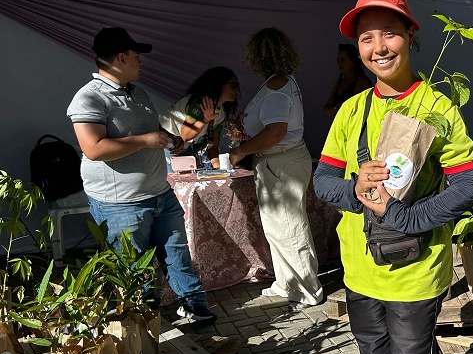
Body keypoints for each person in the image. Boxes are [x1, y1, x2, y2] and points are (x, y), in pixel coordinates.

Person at [313, 0, 473, 354]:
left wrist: (409, 217)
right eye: (367, 38)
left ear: (410, 35)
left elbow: (468, 185)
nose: (378, 47)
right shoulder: (350, 111)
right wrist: (354, 187)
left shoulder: (437, 108)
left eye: (389, 33)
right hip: (360, 266)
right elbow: (323, 182)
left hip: (415, 267)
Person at [66, 27, 217, 323]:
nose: (141, 62)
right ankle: (144, 318)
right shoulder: (89, 98)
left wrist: (174, 137)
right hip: (121, 202)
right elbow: (93, 148)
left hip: (159, 192)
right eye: (137, 56)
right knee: (136, 266)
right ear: (121, 58)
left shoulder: (138, 93)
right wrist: (146, 141)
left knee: (177, 252)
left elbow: (155, 133)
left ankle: (193, 305)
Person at [229, 27, 323, 308]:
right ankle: (287, 283)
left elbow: (275, 132)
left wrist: (240, 150)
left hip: (280, 161)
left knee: (289, 227)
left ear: (256, 56)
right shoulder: (282, 82)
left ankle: (307, 290)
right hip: (280, 160)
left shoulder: (275, 88)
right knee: (279, 227)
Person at [160, 67, 240, 169]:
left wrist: (220, 169)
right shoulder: (198, 103)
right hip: (164, 146)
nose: (237, 90)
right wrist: (205, 120)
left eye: (238, 86)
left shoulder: (221, 113)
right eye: (233, 85)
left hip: (182, 149)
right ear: (219, 84)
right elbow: (185, 135)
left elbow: (213, 147)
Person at [322, 43, 372, 117]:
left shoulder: (362, 82)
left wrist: (336, 107)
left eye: (342, 60)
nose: (339, 64)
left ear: (353, 62)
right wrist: (338, 107)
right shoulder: (341, 82)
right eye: (338, 60)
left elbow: (354, 109)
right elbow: (326, 111)